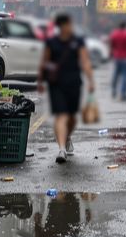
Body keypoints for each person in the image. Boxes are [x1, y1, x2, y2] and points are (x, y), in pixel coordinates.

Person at [37, 13, 96, 164]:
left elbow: (85, 61)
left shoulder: (78, 41)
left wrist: (90, 81)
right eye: (68, 24)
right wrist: (40, 81)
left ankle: (67, 136)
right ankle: (61, 149)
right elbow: (44, 61)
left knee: (72, 118)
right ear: (62, 26)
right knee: (61, 115)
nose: (71, 27)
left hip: (74, 84)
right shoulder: (52, 42)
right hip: (56, 84)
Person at [108, 21, 126, 100]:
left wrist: (110, 54)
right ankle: (123, 94)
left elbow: (111, 45)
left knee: (115, 74)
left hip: (117, 57)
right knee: (125, 75)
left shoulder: (114, 33)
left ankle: (113, 90)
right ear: (125, 26)